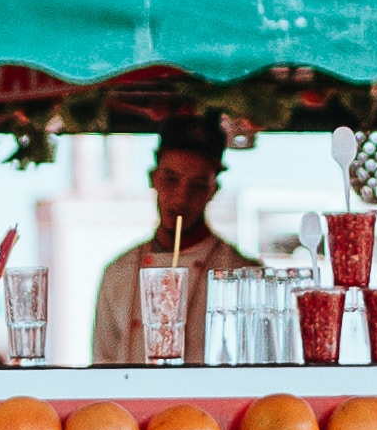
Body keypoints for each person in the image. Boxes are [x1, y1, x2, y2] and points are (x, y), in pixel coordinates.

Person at [80, 116, 253, 366]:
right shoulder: (118, 271)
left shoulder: (240, 273)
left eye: (196, 185)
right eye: (171, 179)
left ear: (212, 190)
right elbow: (102, 363)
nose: (181, 197)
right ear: (153, 178)